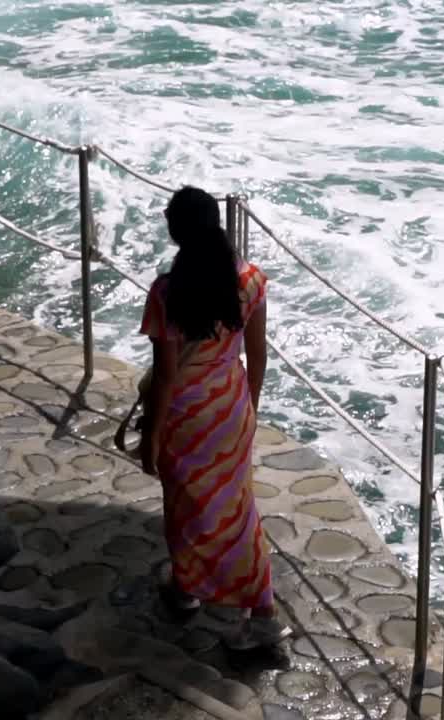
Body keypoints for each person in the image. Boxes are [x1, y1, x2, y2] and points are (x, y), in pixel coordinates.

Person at [138, 185, 291, 650]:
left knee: (186, 507)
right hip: (230, 404)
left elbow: (165, 378)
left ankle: (259, 611)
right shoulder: (250, 281)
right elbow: (257, 356)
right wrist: (250, 407)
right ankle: (190, 587)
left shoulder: (167, 293)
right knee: (234, 507)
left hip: (186, 414)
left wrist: (151, 437)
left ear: (177, 232)